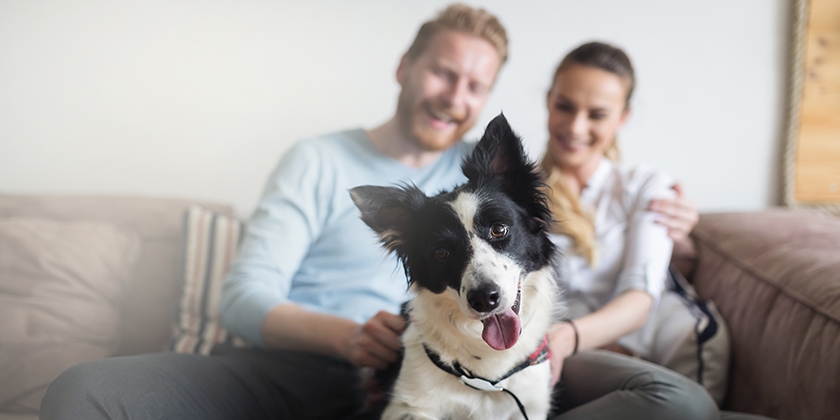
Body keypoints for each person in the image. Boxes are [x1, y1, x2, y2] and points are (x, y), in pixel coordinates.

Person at [40, 5, 701, 420]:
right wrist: (347, 338)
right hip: (297, 368)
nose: (455, 97)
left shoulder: (481, 177)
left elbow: (554, 211)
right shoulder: (318, 159)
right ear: (405, 66)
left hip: (449, 371)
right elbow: (242, 296)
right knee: (84, 391)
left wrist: (676, 227)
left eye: (475, 86)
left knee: (675, 403)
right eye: (443, 73)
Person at [541, 42, 771, 420]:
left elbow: (640, 300)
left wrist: (570, 335)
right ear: (549, 101)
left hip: (598, 348)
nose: (576, 127)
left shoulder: (645, 187)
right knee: (688, 406)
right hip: (560, 359)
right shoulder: (515, 194)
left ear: (623, 117)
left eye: (597, 114)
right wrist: (564, 339)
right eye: (564, 106)